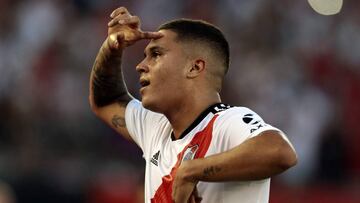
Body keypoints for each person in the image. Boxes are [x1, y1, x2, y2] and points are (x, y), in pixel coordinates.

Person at [89, 6, 297, 203]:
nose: (140, 66)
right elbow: (105, 100)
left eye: (156, 55)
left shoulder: (225, 121)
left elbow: (281, 152)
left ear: (195, 68)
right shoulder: (156, 126)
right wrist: (113, 47)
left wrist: (191, 170)